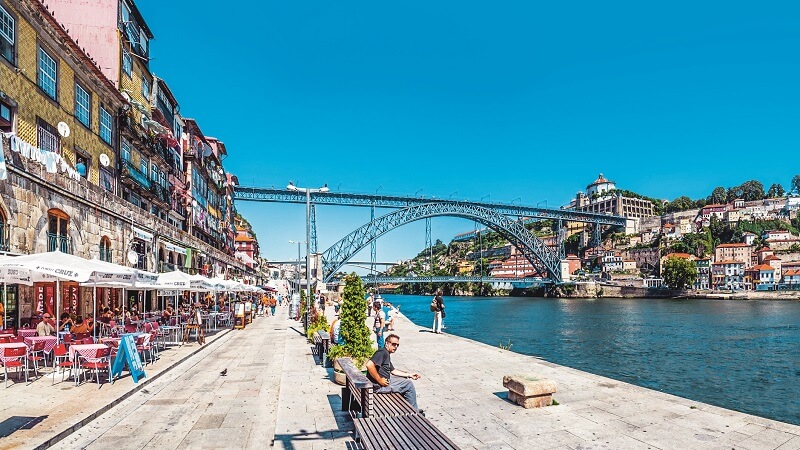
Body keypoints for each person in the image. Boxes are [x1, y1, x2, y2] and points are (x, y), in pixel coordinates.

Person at [365, 333, 422, 412]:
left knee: (405, 379)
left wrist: (409, 375)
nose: (395, 347)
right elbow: (369, 365)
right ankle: (413, 411)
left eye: (397, 345)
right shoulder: (382, 353)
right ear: (387, 343)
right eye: (394, 344)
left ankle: (407, 407)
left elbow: (393, 371)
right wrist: (379, 380)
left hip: (383, 382)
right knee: (408, 384)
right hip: (379, 387)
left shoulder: (386, 353)